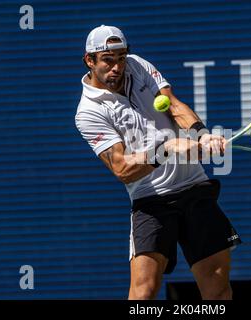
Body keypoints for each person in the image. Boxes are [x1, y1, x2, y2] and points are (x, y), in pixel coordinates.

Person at [75, 25, 241, 300]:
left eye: (121, 59)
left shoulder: (137, 66)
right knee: (143, 294)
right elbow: (122, 169)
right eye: (107, 60)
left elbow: (173, 104)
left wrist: (203, 135)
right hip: (151, 200)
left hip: (194, 187)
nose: (116, 67)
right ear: (89, 61)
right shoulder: (88, 112)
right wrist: (167, 149)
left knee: (218, 291)